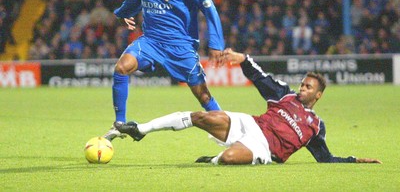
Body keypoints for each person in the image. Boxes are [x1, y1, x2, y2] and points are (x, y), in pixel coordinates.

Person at [114, 48, 381, 165]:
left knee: (230, 159)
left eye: (308, 87)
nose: (302, 88)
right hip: (251, 124)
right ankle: (141, 129)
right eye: (302, 84)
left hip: (264, 149)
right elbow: (258, 76)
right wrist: (242, 58)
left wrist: (356, 160)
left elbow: (325, 158)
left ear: (319, 95)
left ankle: (215, 160)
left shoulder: (315, 127)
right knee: (200, 116)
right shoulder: (284, 96)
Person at [103, 0, 225, 141]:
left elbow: (208, 7)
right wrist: (122, 14)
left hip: (181, 46)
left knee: (203, 96)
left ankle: (229, 131)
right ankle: (119, 124)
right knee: (121, 67)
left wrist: (216, 43)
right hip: (151, 42)